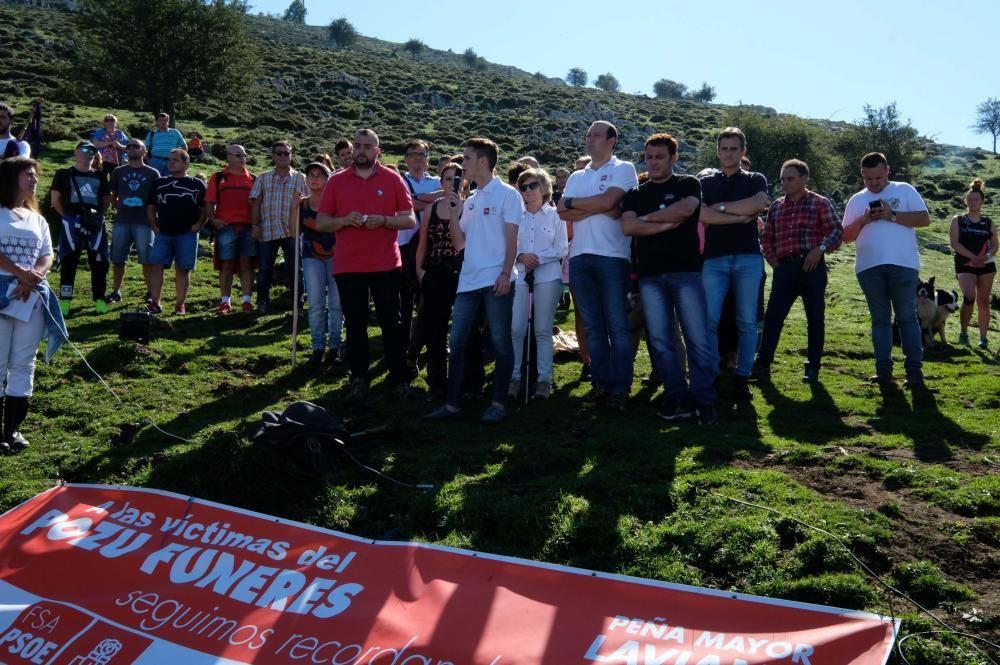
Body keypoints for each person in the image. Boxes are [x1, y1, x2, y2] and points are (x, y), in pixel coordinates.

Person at [621, 133, 718, 425]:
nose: (653, 162)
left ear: (673, 158)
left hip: (685, 272)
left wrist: (645, 220)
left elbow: (687, 210)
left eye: (659, 157)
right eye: (649, 157)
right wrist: (665, 219)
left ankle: (704, 399)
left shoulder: (688, 184)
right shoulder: (635, 193)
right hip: (650, 276)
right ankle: (676, 395)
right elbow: (628, 226)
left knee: (697, 337)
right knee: (661, 340)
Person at [425, 137, 522, 423]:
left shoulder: (508, 194)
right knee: (457, 343)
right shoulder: (472, 200)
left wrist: (506, 273)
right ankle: (453, 405)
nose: (461, 165)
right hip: (468, 281)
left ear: (483, 161)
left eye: (466, 159)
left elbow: (512, 239)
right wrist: (454, 213)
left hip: (497, 279)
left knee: (500, 341)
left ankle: (498, 404)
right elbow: (458, 245)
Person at [315, 128, 416, 403]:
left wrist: (384, 221)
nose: (361, 150)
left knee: (391, 323)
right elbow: (321, 222)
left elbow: (409, 220)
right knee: (356, 324)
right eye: (357, 146)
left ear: (377, 151)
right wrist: (345, 220)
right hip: (348, 265)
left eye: (367, 146)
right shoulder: (336, 181)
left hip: (385, 264)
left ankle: (398, 378)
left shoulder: (393, 179)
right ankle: (359, 378)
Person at [557, 121, 639, 411]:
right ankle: (600, 384)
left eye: (596, 135)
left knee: (617, 325)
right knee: (593, 326)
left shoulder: (623, 168)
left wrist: (580, 205)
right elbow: (562, 210)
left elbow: (609, 201)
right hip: (579, 256)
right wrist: (601, 206)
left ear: (611, 140)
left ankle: (620, 388)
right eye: (588, 135)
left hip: (613, 257)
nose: (589, 139)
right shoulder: (578, 175)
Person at [842, 152, 930, 388]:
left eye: (878, 178)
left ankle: (914, 373)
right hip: (869, 268)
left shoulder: (904, 190)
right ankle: (883, 372)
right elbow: (845, 238)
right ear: (862, 175)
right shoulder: (856, 200)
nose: (873, 183)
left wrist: (892, 215)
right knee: (879, 319)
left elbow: (924, 219)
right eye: (868, 179)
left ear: (887, 171)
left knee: (907, 318)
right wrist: (863, 220)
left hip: (904, 265)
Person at [755, 159, 844, 383]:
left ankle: (813, 367)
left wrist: (820, 249)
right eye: (783, 179)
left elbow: (836, 230)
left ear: (805, 179)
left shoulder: (819, 203)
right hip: (784, 268)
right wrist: (776, 264)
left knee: (815, 319)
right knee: (773, 318)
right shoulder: (776, 206)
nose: (785, 183)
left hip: (811, 267)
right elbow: (767, 238)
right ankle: (762, 366)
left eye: (790, 179)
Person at [0, 157, 66, 455]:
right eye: (28, 174)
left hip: (31, 296)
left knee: (24, 363)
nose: (34, 180)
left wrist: (32, 277)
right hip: (4, 294)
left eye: (35, 175)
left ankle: (12, 429)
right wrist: (19, 274)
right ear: (10, 178)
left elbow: (47, 255)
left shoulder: (37, 219)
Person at [698, 127, 769, 400]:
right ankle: (712, 373)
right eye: (724, 148)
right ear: (718, 151)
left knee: (746, 321)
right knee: (710, 319)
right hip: (714, 259)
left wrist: (722, 208)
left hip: (748, 258)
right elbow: (701, 215)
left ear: (743, 151)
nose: (728, 153)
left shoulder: (755, 179)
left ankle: (742, 375)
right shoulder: (705, 183)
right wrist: (738, 214)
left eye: (734, 149)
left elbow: (758, 203)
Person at [509, 168, 567, 400]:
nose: (528, 191)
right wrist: (521, 256)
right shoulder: (515, 216)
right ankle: (514, 377)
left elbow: (562, 247)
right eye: (523, 187)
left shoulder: (555, 215)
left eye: (533, 186)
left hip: (547, 277)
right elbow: (507, 245)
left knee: (543, 330)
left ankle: (544, 380)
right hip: (520, 275)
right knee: (516, 329)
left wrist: (538, 258)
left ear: (544, 188)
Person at [414, 163, 464, 400]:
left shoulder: (470, 207)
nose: (452, 183)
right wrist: (421, 274)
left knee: (465, 330)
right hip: (434, 273)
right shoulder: (430, 209)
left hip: (463, 274)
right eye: (447, 179)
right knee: (435, 330)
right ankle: (436, 382)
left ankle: (463, 381)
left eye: (456, 178)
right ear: (441, 183)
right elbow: (422, 245)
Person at [50, 141, 111, 315]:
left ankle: (99, 299)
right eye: (84, 149)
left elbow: (106, 200)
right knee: (69, 261)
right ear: (76, 152)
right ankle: (65, 302)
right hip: (71, 223)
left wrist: (97, 216)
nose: (88, 153)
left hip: (94, 224)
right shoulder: (63, 174)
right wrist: (67, 217)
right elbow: (55, 199)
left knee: (98, 262)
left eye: (92, 150)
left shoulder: (100, 176)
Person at [145, 149, 206, 315]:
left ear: (186, 163)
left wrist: (199, 225)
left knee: (183, 268)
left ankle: (180, 305)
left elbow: (205, 208)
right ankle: (155, 302)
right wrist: (154, 226)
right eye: (169, 159)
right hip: (163, 232)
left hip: (187, 233)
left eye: (175, 160)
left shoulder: (197, 184)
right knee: (157, 266)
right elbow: (150, 206)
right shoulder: (159, 182)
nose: (170, 163)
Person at [250, 140, 307, 314]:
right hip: (268, 229)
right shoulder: (263, 177)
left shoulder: (300, 177)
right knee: (265, 268)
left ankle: (298, 304)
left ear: (291, 155)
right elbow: (256, 202)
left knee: (295, 269)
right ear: (273, 156)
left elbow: (307, 204)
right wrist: (255, 225)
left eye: (287, 153)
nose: (283, 156)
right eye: (279, 153)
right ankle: (262, 302)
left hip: (292, 231)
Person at [299, 162, 343, 365]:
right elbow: (293, 232)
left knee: (336, 304)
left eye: (320, 175)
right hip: (310, 256)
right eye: (311, 175)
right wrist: (293, 207)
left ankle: (335, 347)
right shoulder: (302, 204)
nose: (315, 178)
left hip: (337, 255)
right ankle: (317, 347)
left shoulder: (337, 203)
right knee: (315, 302)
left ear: (328, 179)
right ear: (306, 180)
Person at [206, 144, 257, 314]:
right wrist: (213, 220)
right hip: (226, 227)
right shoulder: (218, 177)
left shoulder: (253, 179)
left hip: (248, 227)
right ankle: (225, 301)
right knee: (226, 264)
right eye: (237, 155)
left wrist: (257, 224)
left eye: (243, 154)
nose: (242, 158)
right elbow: (209, 201)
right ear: (228, 157)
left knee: (247, 264)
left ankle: (247, 301)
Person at [107, 139, 158, 304]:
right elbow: (111, 195)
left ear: (144, 151)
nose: (131, 148)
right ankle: (116, 291)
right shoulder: (117, 172)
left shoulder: (153, 173)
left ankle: (150, 292)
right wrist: (120, 207)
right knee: (118, 258)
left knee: (147, 258)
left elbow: (157, 199)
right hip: (122, 219)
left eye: (136, 146)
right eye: (128, 146)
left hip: (145, 221)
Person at [949, 178, 997, 349]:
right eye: (969, 199)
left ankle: (983, 338)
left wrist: (988, 255)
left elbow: (995, 244)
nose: (972, 202)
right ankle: (963, 333)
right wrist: (973, 257)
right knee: (969, 297)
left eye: (976, 199)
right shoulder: (958, 220)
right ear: (965, 201)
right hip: (965, 264)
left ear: (982, 202)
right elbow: (954, 243)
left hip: (986, 266)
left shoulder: (988, 222)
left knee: (983, 302)